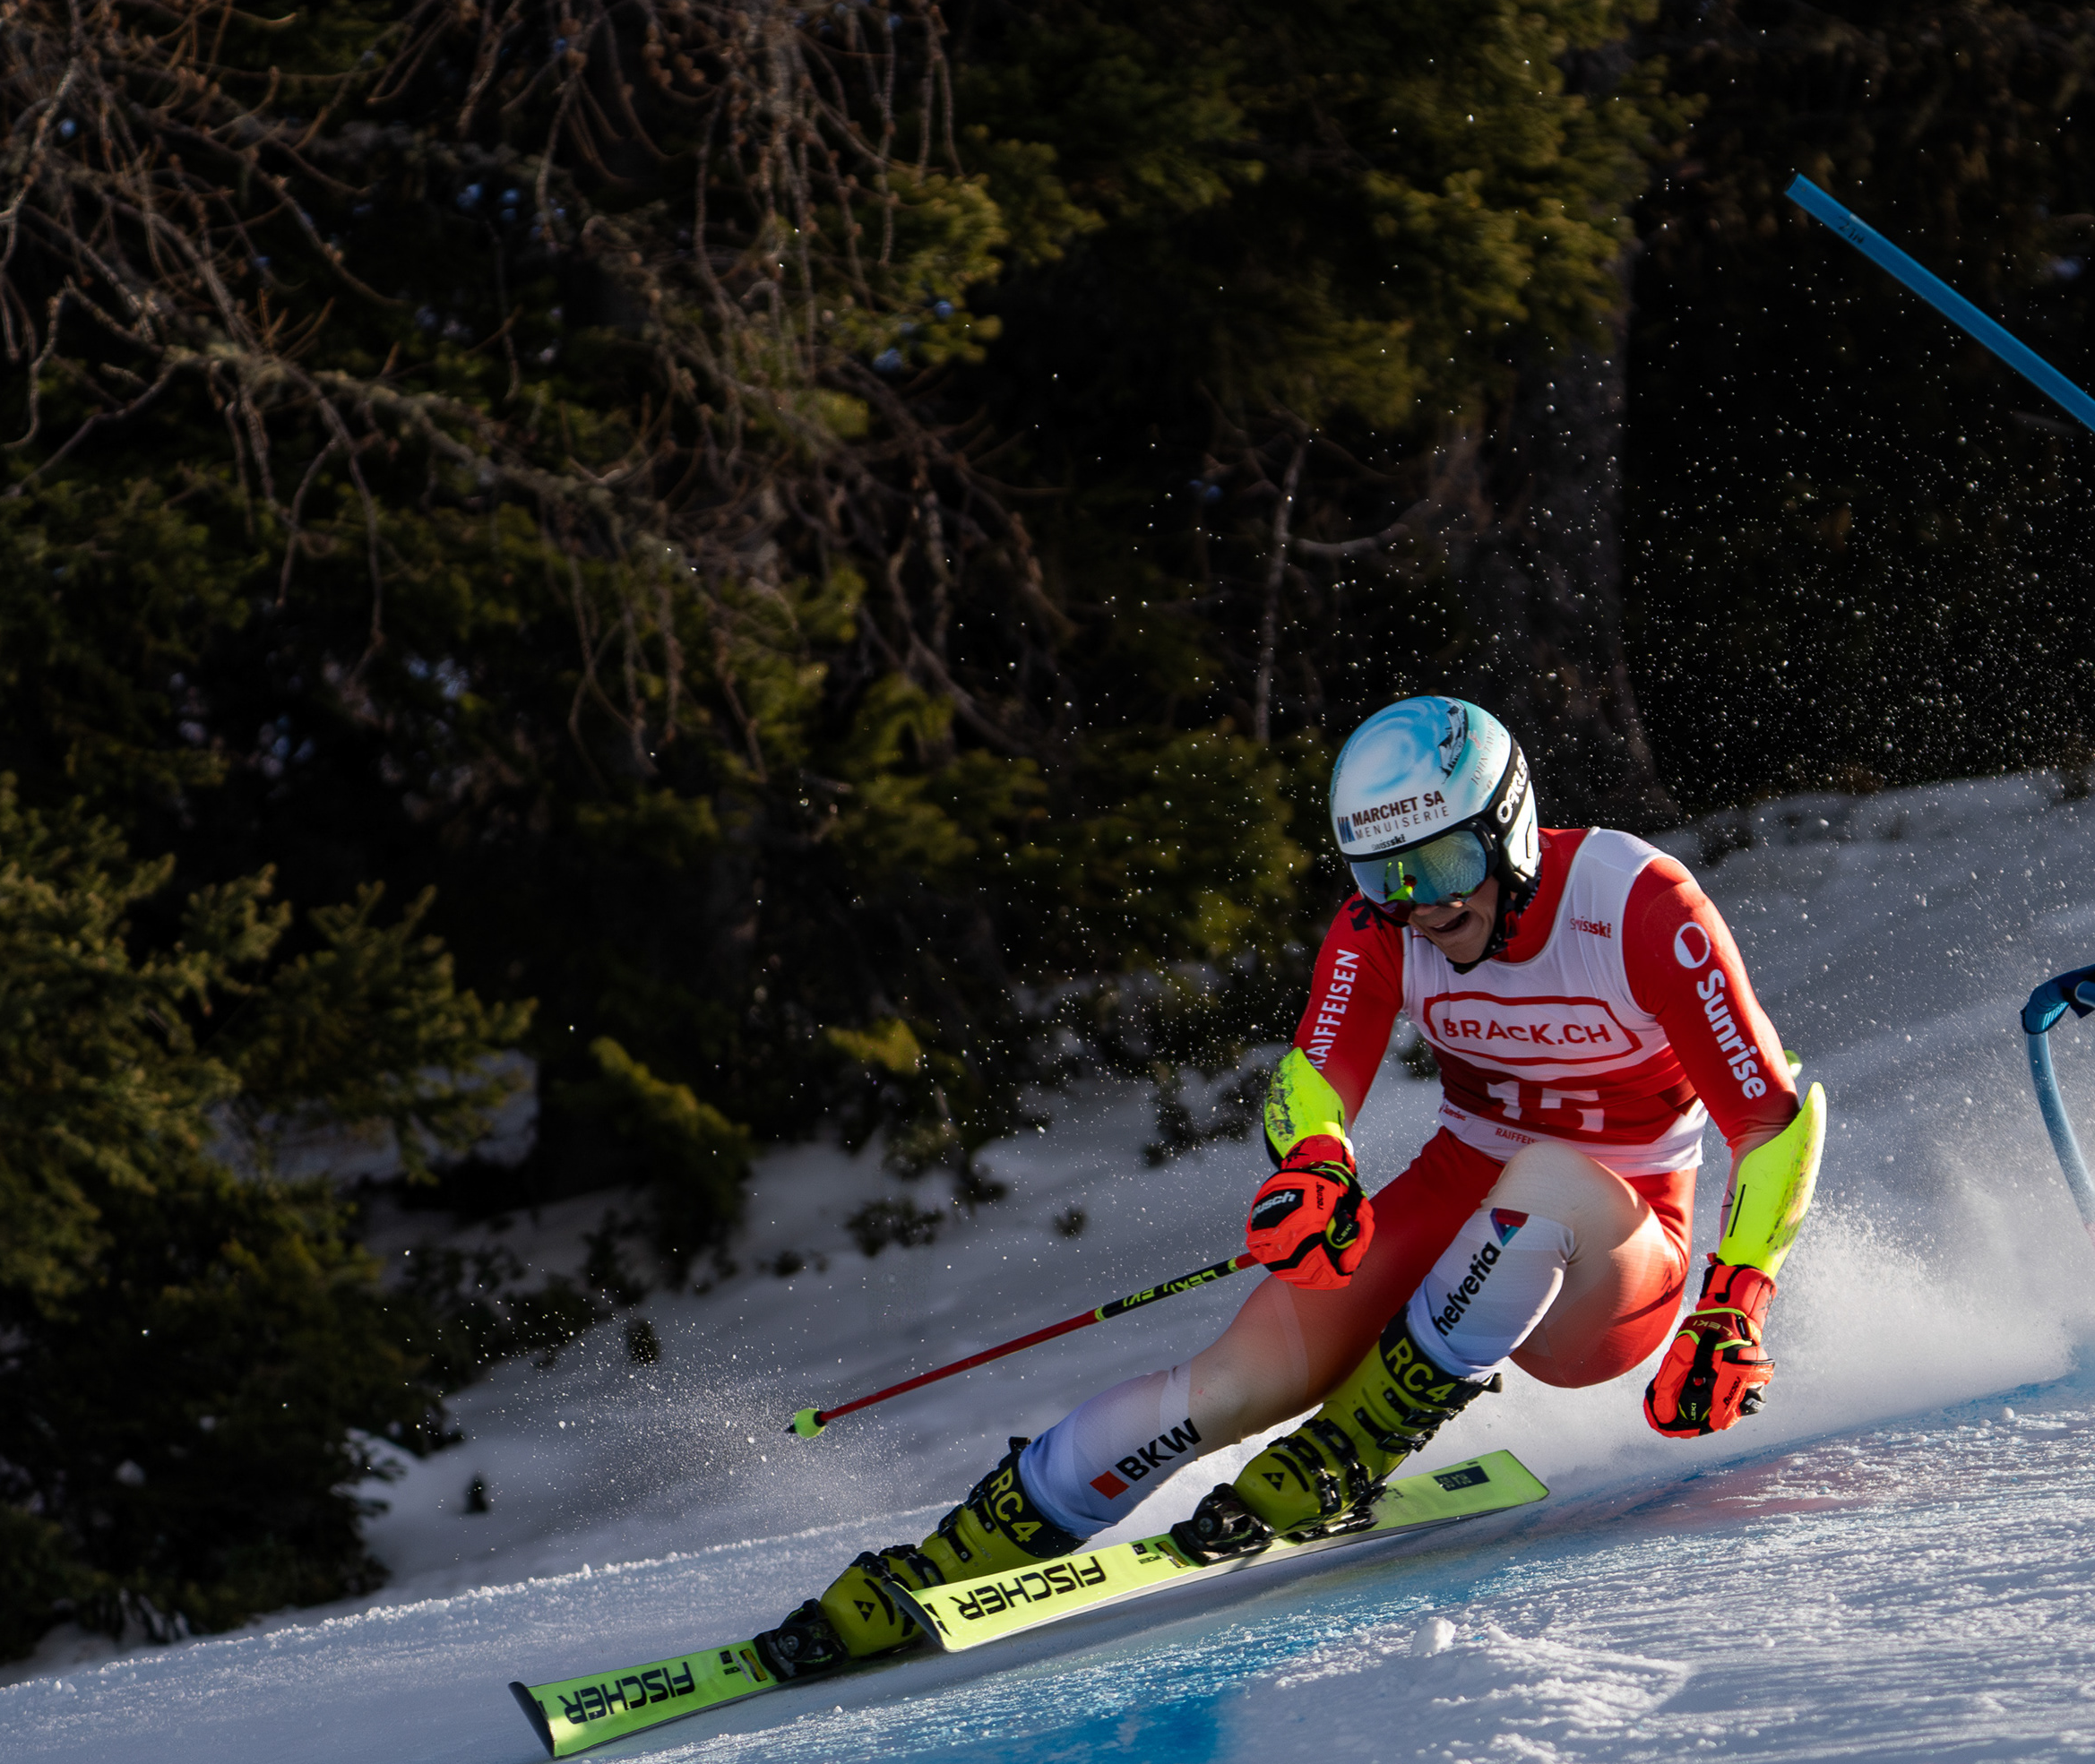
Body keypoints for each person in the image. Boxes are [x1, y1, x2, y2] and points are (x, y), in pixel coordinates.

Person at [750, 695, 1825, 1676]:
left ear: (1508, 824)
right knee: (1233, 1381)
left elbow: (1773, 1120)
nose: (1420, 906)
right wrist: (1317, 1165)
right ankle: (949, 1561)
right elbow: (1312, 1078)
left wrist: (1735, 1300)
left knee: (1544, 1176)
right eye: (1385, 876)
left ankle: (1349, 1447)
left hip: (1614, 1263)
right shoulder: (1380, 931)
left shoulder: (1635, 906)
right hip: (1457, 1199)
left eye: (1443, 862)